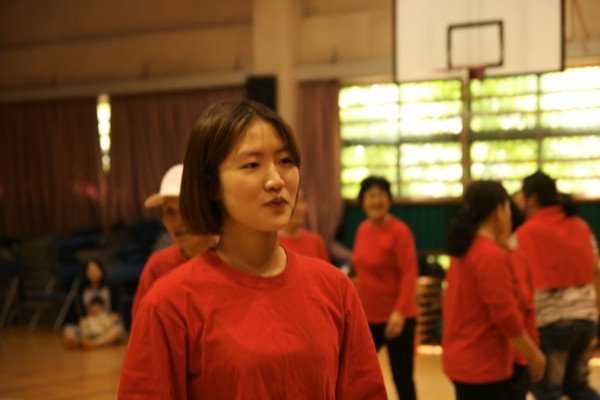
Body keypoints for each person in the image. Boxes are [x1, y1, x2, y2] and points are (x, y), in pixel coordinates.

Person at [118, 99, 387, 399]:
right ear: (210, 184)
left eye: (285, 161)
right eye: (252, 165)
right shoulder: (168, 304)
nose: (276, 180)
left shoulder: (335, 288)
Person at [442, 180, 546, 400]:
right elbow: (505, 316)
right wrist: (534, 355)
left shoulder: (464, 250)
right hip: (482, 364)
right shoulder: (490, 255)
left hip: (462, 360)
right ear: (499, 211)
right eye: (507, 208)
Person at [513, 171, 600, 400]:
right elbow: (596, 270)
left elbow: (516, 282)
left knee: (547, 392)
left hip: (551, 324)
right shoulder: (582, 226)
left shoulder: (524, 234)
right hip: (586, 321)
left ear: (532, 198)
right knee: (578, 387)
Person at [352, 175, 419, 400]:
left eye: (381, 195)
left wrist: (399, 312)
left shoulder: (400, 231)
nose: (376, 201)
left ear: (389, 200)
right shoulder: (362, 229)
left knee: (403, 379)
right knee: (357, 374)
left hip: (398, 318)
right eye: (371, 196)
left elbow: (409, 274)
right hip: (368, 318)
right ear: (363, 202)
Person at [130, 164, 217, 322]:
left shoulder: (234, 260)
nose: (177, 222)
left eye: (186, 209)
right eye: (170, 212)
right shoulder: (157, 266)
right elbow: (142, 326)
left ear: (208, 210)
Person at [62, 259, 126, 349]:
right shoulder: (81, 289)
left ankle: (92, 344)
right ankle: (86, 341)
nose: (93, 273)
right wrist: (85, 327)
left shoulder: (111, 288)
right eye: (90, 271)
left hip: (107, 324)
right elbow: (81, 315)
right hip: (89, 325)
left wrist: (105, 326)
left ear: (101, 271)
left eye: (95, 270)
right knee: (68, 331)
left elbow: (115, 313)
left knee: (117, 331)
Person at [278, 189, 330, 262]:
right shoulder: (273, 244)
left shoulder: (316, 241)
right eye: (294, 202)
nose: (299, 208)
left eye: (302, 201)